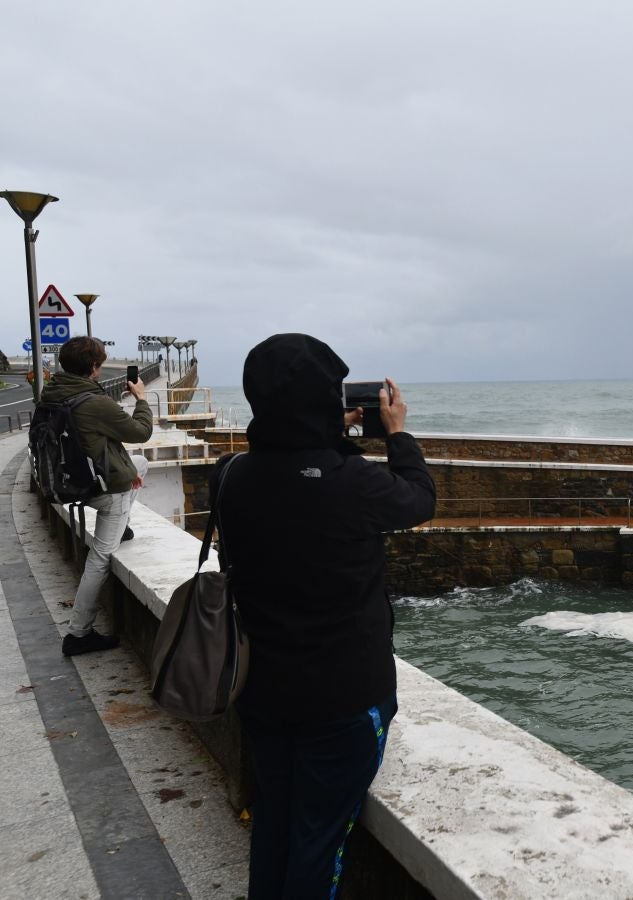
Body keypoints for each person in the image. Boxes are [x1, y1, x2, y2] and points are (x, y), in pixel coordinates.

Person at [210, 334, 435, 899]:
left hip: (263, 688)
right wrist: (397, 433)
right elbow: (417, 499)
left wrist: (330, 438)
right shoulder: (353, 482)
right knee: (320, 843)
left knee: (277, 825)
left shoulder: (230, 475)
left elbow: (294, 479)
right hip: (344, 700)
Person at [42, 336, 152, 656]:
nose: (101, 370)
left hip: (71, 482)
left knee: (140, 465)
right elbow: (139, 432)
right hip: (105, 490)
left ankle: (124, 526)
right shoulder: (92, 401)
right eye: (100, 364)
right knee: (100, 559)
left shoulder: (52, 393)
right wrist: (141, 399)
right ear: (92, 367)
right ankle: (78, 634)